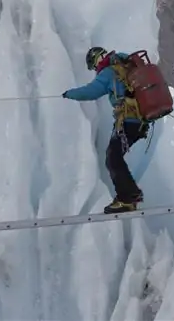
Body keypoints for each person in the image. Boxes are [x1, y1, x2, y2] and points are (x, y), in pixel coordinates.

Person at [62, 46, 149, 214]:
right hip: (140, 121)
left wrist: (68, 94)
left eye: (94, 66)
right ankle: (129, 196)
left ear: (97, 60)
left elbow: (90, 92)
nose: (96, 69)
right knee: (114, 156)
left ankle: (128, 197)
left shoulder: (109, 72)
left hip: (128, 121)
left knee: (112, 157)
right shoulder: (126, 65)